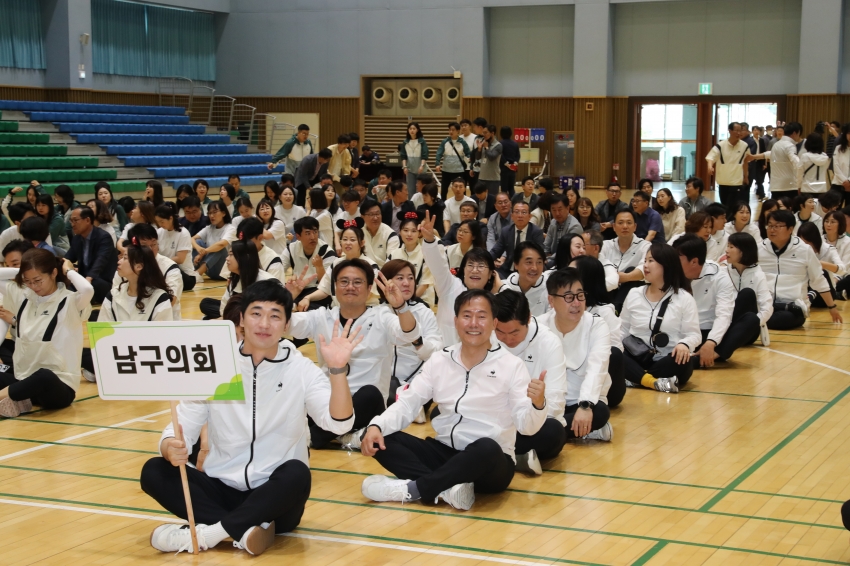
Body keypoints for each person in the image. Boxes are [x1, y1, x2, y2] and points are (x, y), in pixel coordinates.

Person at [141, 280, 362, 556]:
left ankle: (211, 533)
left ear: (286, 324)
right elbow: (184, 423)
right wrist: (169, 446)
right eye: (256, 313)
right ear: (242, 319)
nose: (264, 323)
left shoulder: (300, 369)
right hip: (222, 488)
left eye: (275, 316)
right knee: (154, 470)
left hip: (275, 501)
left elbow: (338, 423)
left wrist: (338, 370)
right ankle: (243, 531)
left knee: (297, 473)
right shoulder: (216, 365)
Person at [359, 289, 547, 511]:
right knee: (379, 436)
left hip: (490, 464)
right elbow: (408, 403)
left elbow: (527, 427)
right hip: (445, 452)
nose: (473, 323)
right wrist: (376, 425)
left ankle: (415, 490)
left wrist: (537, 404)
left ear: (494, 322)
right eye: (467, 316)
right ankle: (447, 490)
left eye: (481, 316)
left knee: (487, 447)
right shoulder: (440, 360)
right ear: (456, 321)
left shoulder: (511, 365)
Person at [287, 259, 421, 449]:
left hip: (366, 406)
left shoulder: (381, 317)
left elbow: (411, 334)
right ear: (334, 287)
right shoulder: (321, 317)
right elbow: (282, 325)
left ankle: (316, 437)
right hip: (330, 402)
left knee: (370, 395)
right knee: (301, 392)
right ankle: (344, 435)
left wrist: (401, 307)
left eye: (357, 282)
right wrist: (287, 297)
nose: (350, 287)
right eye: (344, 282)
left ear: (369, 289)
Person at [0, 249, 92, 417]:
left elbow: (87, 290)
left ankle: (7, 397)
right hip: (23, 380)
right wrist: (21, 271)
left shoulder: (70, 300)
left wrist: (68, 269)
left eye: (37, 280)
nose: (33, 286)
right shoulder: (23, 296)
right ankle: (16, 398)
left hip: (58, 387)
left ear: (53, 273)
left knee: (44, 376)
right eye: (27, 281)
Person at [492, 289, 567, 474]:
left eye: (514, 332)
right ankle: (513, 458)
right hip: (493, 420)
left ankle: (494, 455)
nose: (508, 339)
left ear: (528, 319)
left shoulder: (549, 342)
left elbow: (556, 403)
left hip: (527, 423)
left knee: (554, 433)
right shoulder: (486, 338)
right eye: (500, 332)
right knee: (441, 413)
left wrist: (538, 402)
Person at [539, 268, 614, 443]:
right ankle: (580, 432)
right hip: (548, 402)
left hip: (581, 402)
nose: (576, 303)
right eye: (568, 297)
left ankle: (547, 436)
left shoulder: (597, 325)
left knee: (600, 412)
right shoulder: (539, 326)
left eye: (580, 296)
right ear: (551, 300)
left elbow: (597, 369)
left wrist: (585, 405)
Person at [620, 243, 701, 393]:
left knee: (684, 361)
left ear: (666, 265)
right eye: (645, 260)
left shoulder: (684, 298)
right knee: (613, 354)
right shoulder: (634, 294)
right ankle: (653, 382)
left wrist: (684, 344)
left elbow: (694, 334)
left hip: (665, 360)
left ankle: (635, 379)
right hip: (635, 356)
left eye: (651, 261)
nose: (645, 265)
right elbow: (622, 330)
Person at [673, 234, 760, 368]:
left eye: (677, 258)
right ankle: (695, 359)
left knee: (751, 319)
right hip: (681, 332)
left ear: (694, 261)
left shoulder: (719, 277)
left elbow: (724, 314)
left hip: (708, 330)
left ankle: (713, 355)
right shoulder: (669, 274)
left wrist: (711, 342)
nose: (672, 261)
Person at [420, 211, 501, 346]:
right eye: (470, 265)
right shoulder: (450, 286)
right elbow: (437, 265)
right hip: (445, 357)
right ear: (462, 270)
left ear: (490, 274)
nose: (475, 270)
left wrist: (500, 287)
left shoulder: (495, 297)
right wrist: (430, 240)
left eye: (481, 266)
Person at [759, 210, 842, 330]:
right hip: (765, 303)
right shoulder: (759, 248)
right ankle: (757, 320)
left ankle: (756, 322)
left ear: (790, 229)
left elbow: (818, 280)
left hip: (792, 306)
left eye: (777, 226)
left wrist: (832, 307)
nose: (772, 230)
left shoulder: (804, 250)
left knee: (783, 319)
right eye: (770, 225)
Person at [379, 259, 441, 409]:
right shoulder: (378, 312)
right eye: (400, 278)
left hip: (416, 382)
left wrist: (418, 341)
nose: (407, 283)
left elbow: (437, 351)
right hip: (383, 382)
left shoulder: (424, 312)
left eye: (410, 278)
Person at [570, 255, 625, 408]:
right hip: (571, 378)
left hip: (602, 380)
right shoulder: (563, 306)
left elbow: (616, 350)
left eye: (572, 272)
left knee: (615, 353)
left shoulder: (604, 311)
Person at [297, 219, 381, 311]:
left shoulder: (371, 266)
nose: (348, 243)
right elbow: (325, 290)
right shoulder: (336, 263)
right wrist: (307, 298)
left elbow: (368, 294)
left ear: (362, 243)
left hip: (366, 310)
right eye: (345, 239)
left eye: (352, 240)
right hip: (338, 310)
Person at [200, 240, 273, 319]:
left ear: (245, 257)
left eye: (231, 255)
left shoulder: (266, 282)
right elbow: (224, 307)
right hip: (237, 319)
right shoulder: (235, 279)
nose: (227, 258)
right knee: (206, 305)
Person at [599, 209, 651, 312]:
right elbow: (599, 267)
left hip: (633, 294)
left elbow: (644, 270)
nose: (625, 226)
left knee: (631, 270)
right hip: (608, 291)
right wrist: (614, 279)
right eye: (620, 223)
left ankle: (617, 309)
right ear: (614, 227)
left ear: (635, 227)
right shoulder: (605, 245)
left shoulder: (645, 246)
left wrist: (625, 277)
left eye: (629, 222)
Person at [725, 232, 773, 344]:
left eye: (731, 247)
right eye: (727, 246)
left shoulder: (758, 274)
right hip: (725, 326)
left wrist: (752, 324)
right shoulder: (722, 272)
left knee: (747, 294)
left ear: (744, 251)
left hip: (747, 330)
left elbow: (767, 308)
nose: (727, 250)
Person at [63, 206, 117, 305]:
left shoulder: (103, 237)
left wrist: (88, 279)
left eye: (75, 220)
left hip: (102, 281)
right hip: (85, 279)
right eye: (71, 221)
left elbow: (100, 261)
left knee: (89, 286)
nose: (72, 224)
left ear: (87, 220)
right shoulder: (77, 239)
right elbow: (68, 258)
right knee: (65, 286)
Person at [281, 216, 337, 307]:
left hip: (318, 291)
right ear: (298, 236)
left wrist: (319, 267)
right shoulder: (291, 249)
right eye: (307, 233)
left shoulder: (327, 252)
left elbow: (327, 285)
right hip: (297, 289)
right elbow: (279, 268)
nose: (313, 237)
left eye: (315, 232)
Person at [748, 121, 804, 202]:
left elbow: (771, 153)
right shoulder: (790, 146)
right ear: (795, 133)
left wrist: (754, 156)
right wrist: (800, 183)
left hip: (775, 186)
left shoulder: (777, 144)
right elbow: (797, 163)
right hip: (789, 187)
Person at [387, 212, 434, 304]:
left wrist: (407, 302)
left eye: (413, 231)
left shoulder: (426, 254)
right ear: (399, 232)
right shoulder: (393, 254)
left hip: (421, 300)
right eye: (405, 230)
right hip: (397, 300)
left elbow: (424, 285)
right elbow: (387, 279)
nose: (409, 234)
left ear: (419, 233)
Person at [490, 201, 545, 279]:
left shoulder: (536, 232)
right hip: (508, 269)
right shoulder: (506, 231)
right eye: (516, 212)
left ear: (529, 216)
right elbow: (496, 251)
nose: (520, 216)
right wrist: (484, 260)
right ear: (512, 216)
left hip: (529, 270)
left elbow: (540, 254)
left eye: (524, 212)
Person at [797, 223, 844, 307]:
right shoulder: (798, 251)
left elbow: (842, 270)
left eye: (807, 242)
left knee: (819, 271)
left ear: (814, 240)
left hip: (826, 296)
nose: (804, 246)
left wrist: (821, 264)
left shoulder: (828, 249)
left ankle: (810, 297)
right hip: (803, 293)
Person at [498, 241, 551, 316]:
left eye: (539, 262)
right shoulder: (503, 287)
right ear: (516, 264)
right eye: (529, 262)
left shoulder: (550, 288)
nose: (535, 268)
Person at [155, 203, 199, 290]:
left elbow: (180, 259)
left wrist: (160, 263)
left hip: (185, 276)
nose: (160, 224)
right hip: (165, 269)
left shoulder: (183, 233)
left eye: (162, 221)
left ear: (171, 218)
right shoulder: (159, 232)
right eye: (158, 222)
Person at [706, 122, 749, 208]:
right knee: (725, 205)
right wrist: (710, 166)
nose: (739, 133)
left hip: (737, 182)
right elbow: (711, 157)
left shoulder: (744, 146)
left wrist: (746, 177)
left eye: (740, 131)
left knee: (734, 207)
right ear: (730, 131)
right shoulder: (720, 145)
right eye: (736, 130)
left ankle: (731, 221)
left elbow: (745, 162)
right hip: (723, 182)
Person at [192, 201, 237, 281]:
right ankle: (193, 271)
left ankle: (198, 273)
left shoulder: (231, 228)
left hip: (224, 270)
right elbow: (191, 239)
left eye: (215, 212)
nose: (212, 216)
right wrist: (199, 248)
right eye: (209, 213)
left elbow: (222, 244)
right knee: (198, 242)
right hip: (210, 269)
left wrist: (204, 252)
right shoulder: (209, 228)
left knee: (220, 248)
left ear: (223, 213)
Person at [434, 122, 470, 200]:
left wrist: (469, 158)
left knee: (461, 189)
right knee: (444, 190)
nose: (451, 132)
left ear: (458, 131)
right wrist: (437, 163)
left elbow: (468, 153)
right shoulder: (444, 141)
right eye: (449, 130)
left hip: (459, 170)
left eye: (453, 130)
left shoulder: (462, 142)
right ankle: (443, 205)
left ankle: (462, 203)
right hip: (446, 170)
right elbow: (439, 153)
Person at [361, 199, 400, 268]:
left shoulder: (390, 235)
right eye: (371, 214)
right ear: (362, 217)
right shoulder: (359, 233)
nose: (375, 218)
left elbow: (392, 261)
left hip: (383, 273)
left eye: (377, 214)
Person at [542, 193, 581, 261]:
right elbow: (546, 245)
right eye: (554, 210)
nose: (557, 213)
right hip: (553, 259)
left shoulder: (574, 227)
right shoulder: (553, 222)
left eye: (560, 209)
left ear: (567, 208)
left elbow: (566, 252)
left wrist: (548, 260)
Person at [823, 211, 850, 299]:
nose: (828, 224)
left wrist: (834, 281)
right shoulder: (819, 240)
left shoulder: (848, 241)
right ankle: (837, 294)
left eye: (833, 222)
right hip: (823, 277)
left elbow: (845, 267)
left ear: (840, 224)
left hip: (841, 277)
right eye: (826, 221)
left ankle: (833, 292)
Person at [798, 133, 830, 200]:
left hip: (807, 188)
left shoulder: (805, 156)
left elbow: (799, 173)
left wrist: (798, 186)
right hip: (822, 188)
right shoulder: (825, 157)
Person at [401, 123, 429, 197]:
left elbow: (424, 155)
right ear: (408, 130)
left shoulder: (422, 141)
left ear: (417, 130)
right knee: (410, 190)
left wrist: (422, 166)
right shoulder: (405, 142)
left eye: (414, 129)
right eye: (410, 129)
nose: (412, 130)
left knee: (420, 190)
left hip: (420, 169)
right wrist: (404, 167)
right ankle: (412, 206)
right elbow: (403, 156)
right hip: (410, 170)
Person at [831, 123, 850, 207]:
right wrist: (844, 181)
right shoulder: (838, 148)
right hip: (838, 184)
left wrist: (849, 181)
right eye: (849, 133)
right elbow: (836, 166)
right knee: (834, 209)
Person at [499, 126, 519, 197]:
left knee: (504, 188)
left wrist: (506, 163)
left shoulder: (500, 143)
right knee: (511, 188)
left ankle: (504, 202)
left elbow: (500, 155)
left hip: (504, 169)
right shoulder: (515, 143)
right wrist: (515, 163)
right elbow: (518, 155)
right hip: (513, 168)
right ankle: (513, 202)